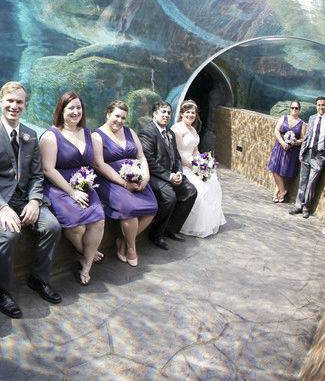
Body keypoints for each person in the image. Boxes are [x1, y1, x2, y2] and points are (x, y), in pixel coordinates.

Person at [0, 82, 62, 319]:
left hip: (24, 199)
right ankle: (1, 290)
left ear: (25, 105)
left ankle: (38, 279)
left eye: (19, 102)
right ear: (0, 102)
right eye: (10, 101)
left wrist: (34, 201)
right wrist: (1, 208)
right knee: (9, 234)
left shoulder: (31, 135)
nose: (14, 106)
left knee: (52, 226)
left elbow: (36, 175)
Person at [40, 91, 105, 286]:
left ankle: (86, 264)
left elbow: (93, 163)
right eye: (71, 108)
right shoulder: (51, 136)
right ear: (61, 110)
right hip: (59, 186)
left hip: (84, 184)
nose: (76, 112)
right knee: (77, 226)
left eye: (79, 107)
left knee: (98, 221)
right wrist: (71, 191)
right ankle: (87, 250)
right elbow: (48, 169)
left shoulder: (88, 133)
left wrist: (85, 185)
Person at [91, 100, 157, 266]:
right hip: (110, 181)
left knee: (152, 208)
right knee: (129, 209)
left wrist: (145, 176)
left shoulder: (130, 132)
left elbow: (141, 156)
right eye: (116, 116)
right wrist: (123, 183)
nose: (119, 121)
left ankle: (123, 240)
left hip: (135, 178)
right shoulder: (97, 136)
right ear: (108, 114)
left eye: (123, 118)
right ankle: (131, 248)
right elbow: (99, 164)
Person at [139, 101, 197, 250]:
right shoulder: (147, 132)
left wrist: (178, 172)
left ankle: (171, 229)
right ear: (154, 113)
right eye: (162, 112)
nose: (166, 115)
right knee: (169, 198)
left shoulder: (169, 133)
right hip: (154, 175)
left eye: (168, 113)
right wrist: (169, 176)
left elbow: (177, 157)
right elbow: (149, 161)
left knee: (190, 191)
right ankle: (155, 235)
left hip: (171, 173)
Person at [172, 99, 226, 238]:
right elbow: (177, 153)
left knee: (213, 183)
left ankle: (208, 222)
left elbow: (195, 150)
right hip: (183, 166)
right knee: (200, 188)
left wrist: (204, 162)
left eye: (193, 113)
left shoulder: (193, 129)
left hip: (194, 163)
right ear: (182, 113)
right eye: (188, 112)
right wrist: (194, 167)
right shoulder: (177, 129)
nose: (191, 115)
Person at [291, 96, 325, 219]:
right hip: (307, 152)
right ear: (316, 106)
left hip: (319, 155)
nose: (320, 107)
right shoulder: (312, 118)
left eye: (322, 105)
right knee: (303, 181)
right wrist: (302, 152)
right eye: (318, 105)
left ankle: (306, 207)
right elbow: (307, 136)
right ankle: (298, 205)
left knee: (311, 183)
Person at [267, 100, 306, 202]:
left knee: (283, 171)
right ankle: (283, 190)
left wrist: (293, 142)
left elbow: (302, 139)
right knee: (274, 169)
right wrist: (282, 142)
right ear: (290, 109)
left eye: (296, 108)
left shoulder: (302, 124)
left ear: (299, 110)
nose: (294, 110)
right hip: (280, 147)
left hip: (291, 150)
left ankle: (277, 193)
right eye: (292, 108)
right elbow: (276, 130)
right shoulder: (283, 118)